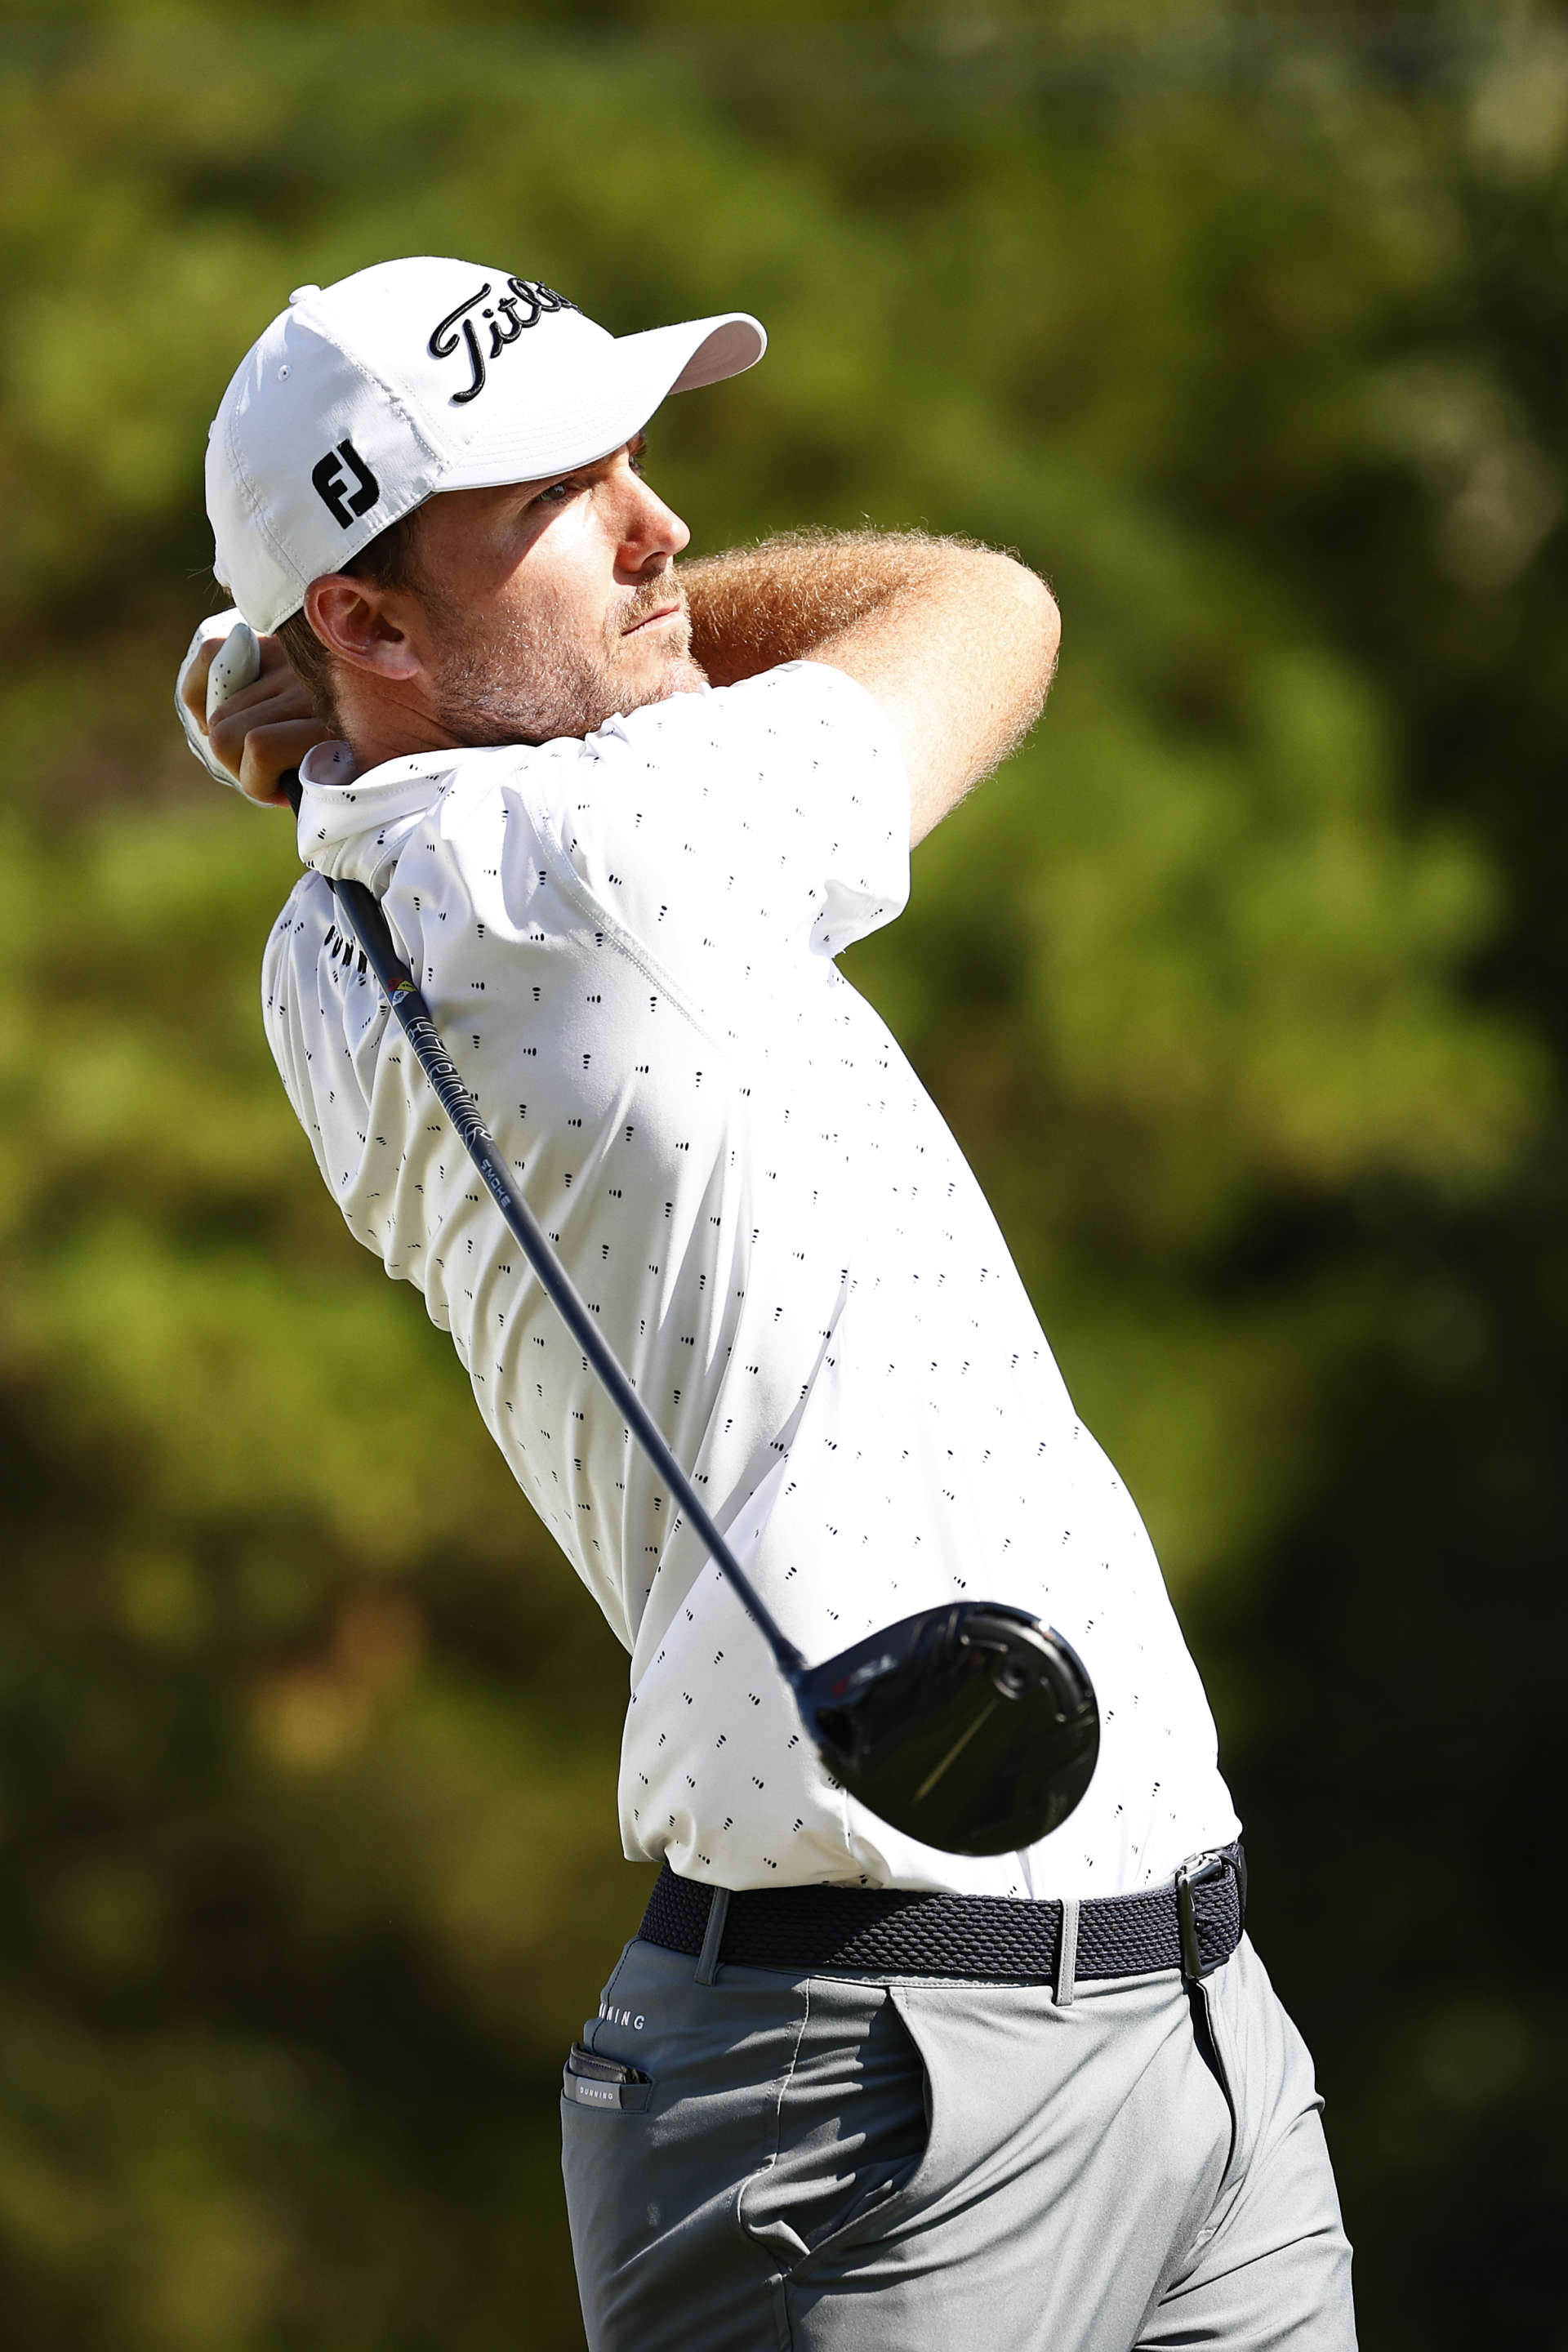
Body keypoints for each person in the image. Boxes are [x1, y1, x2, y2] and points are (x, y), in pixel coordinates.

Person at [178, 256, 1355, 2351]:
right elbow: (991, 607)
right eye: (567, 500)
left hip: (1187, 2022)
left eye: (638, 465)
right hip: (879, 2086)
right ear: (359, 621)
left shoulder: (336, 933)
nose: (664, 536)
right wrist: (318, 674)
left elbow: (443, 734)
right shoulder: (605, 863)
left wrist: (347, 666)